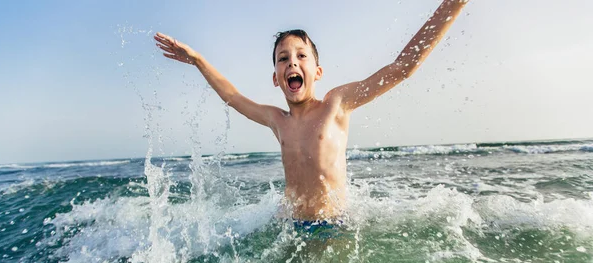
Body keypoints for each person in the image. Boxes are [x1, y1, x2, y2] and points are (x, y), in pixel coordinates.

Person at [154, 0, 470, 224]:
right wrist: (198, 60)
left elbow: (401, 68)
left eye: (301, 55)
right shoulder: (277, 120)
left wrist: (454, 4)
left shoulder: (336, 104)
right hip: (291, 225)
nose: (292, 62)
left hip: (336, 224)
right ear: (276, 79)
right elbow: (233, 97)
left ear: (317, 72)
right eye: (283, 59)